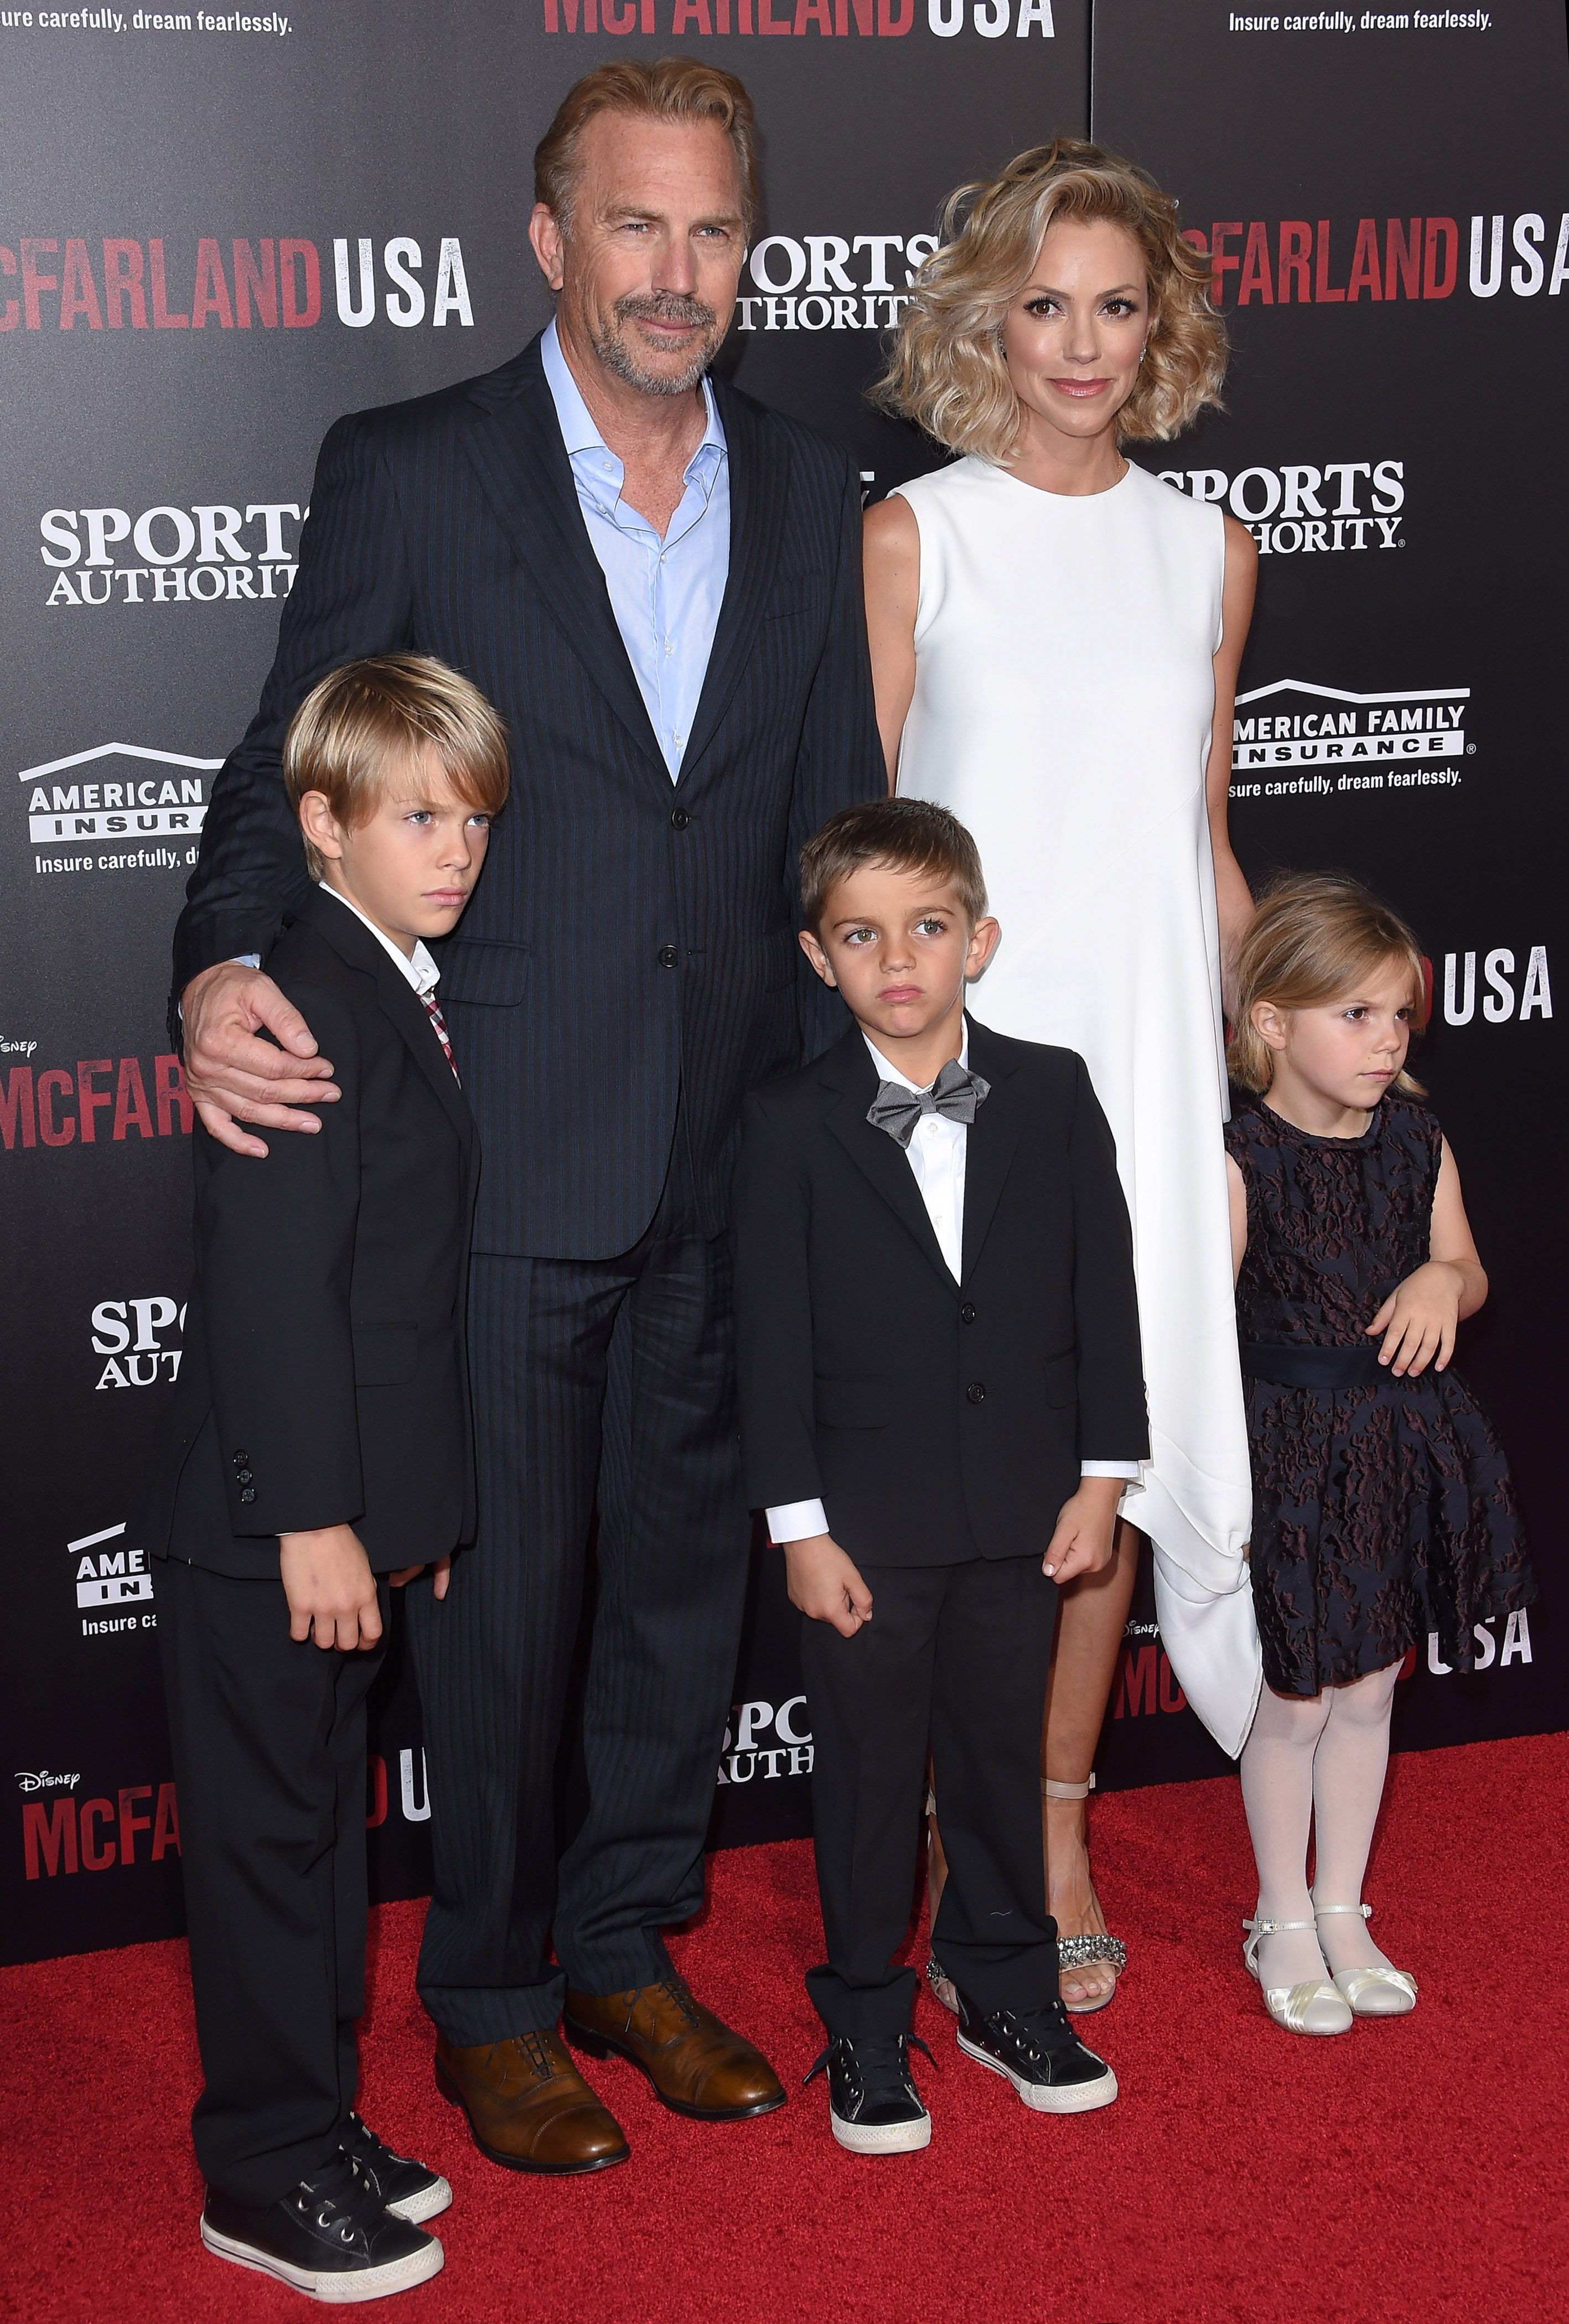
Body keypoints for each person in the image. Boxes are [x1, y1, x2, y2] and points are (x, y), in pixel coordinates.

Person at [169, 58, 884, 2171]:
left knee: (679, 1591)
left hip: (729, 1145)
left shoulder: (812, 474)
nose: (679, 276)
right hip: (490, 1157)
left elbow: (822, 809)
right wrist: (219, 967)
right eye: (636, 227)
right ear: (549, 238)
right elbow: (273, 775)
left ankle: (622, 1941)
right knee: (495, 1612)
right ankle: (483, 1992)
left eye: (717, 232)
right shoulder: (409, 469)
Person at [863, 137, 1256, 2012]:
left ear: (1156, 321)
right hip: (958, 1085)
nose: (1081, 343)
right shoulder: (911, 536)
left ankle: (1052, 1817)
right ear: (985, 323)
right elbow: (862, 852)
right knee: (966, 1474)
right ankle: (943, 1826)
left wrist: (1250, 1102)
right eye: (1044, 305)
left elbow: (1202, 835)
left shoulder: (1205, 549)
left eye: (1115, 304)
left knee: (1111, 1456)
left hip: (1149, 1088)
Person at [140, 656, 508, 2297]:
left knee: (317, 1844)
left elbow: (390, 1290)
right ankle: (262, 2169)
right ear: (319, 823)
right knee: (273, 1847)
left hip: (350, 1509)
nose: (456, 850)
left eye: (474, 820)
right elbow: (278, 1288)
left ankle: (316, 2117)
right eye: (419, 816)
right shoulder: (295, 998)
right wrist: (311, 1520)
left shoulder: (387, 974)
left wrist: (400, 1513)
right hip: (272, 1527)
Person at [732, 798, 1147, 2151]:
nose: (896, 959)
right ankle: (862, 2022)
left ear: (980, 938)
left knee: (993, 1757)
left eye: (925, 928)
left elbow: (1106, 1299)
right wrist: (799, 1526)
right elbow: (770, 1344)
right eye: (861, 936)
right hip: (864, 1525)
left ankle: (1008, 1991)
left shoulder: (1054, 1086)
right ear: (817, 957)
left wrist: (1100, 1480)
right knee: (862, 1779)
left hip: (1024, 1510)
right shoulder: (786, 1123)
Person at [1224, 874, 1532, 2035]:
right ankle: (1280, 1914)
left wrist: (1438, 1277)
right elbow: (1196, 1334)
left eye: (1396, 1015)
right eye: (1352, 1014)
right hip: (1288, 1453)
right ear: (1269, 1021)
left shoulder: (1415, 1138)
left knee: (1368, 1691)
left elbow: (1469, 1270)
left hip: (1399, 1444)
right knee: (1292, 1703)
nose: (1383, 1038)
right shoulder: (1238, 1158)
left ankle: (1342, 1905)